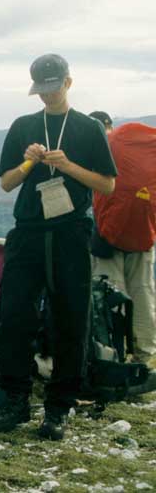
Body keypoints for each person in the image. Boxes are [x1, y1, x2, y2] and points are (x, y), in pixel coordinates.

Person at [0, 54, 117, 441]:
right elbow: (7, 183)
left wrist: (68, 166)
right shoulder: (23, 126)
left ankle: (59, 406)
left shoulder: (89, 128)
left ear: (68, 83)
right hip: (28, 230)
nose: (48, 96)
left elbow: (107, 185)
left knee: (70, 319)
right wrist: (28, 164)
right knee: (14, 317)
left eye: (53, 88)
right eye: (41, 90)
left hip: (71, 232)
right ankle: (13, 400)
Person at [91, 119, 156, 365]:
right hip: (144, 233)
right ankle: (143, 357)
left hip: (109, 237)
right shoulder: (143, 143)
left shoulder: (105, 146)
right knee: (143, 293)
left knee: (109, 295)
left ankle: (111, 354)